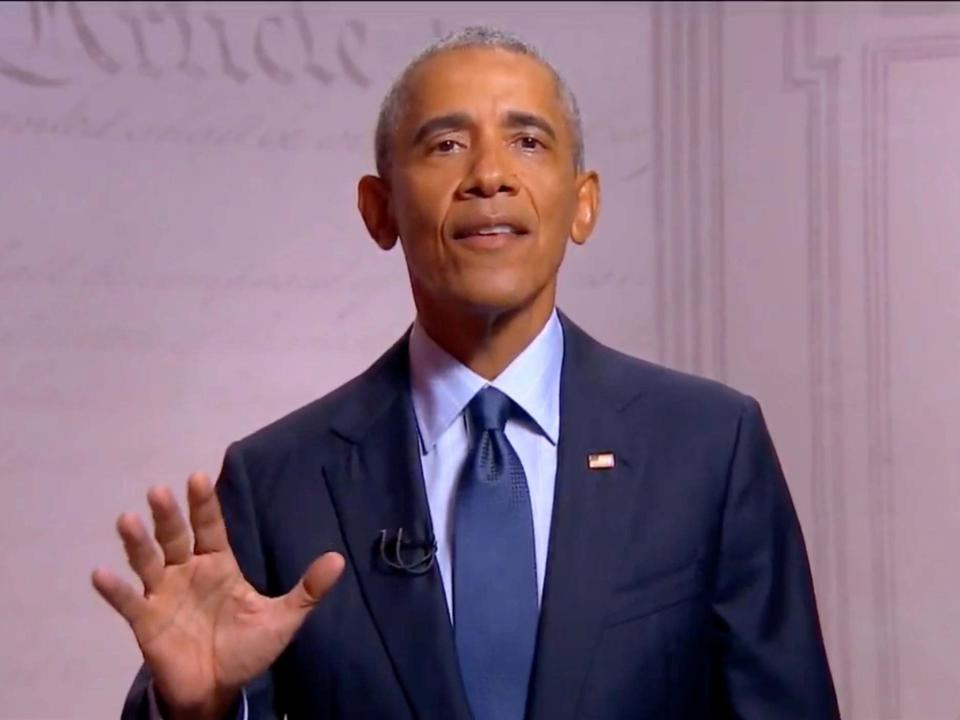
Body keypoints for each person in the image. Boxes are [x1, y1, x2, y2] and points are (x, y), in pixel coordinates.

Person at [92, 26, 841, 720]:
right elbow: (200, 693)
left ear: (583, 206)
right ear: (378, 209)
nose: (490, 175)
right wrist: (197, 712)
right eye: (446, 144)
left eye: (528, 141)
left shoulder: (710, 447)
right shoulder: (275, 482)